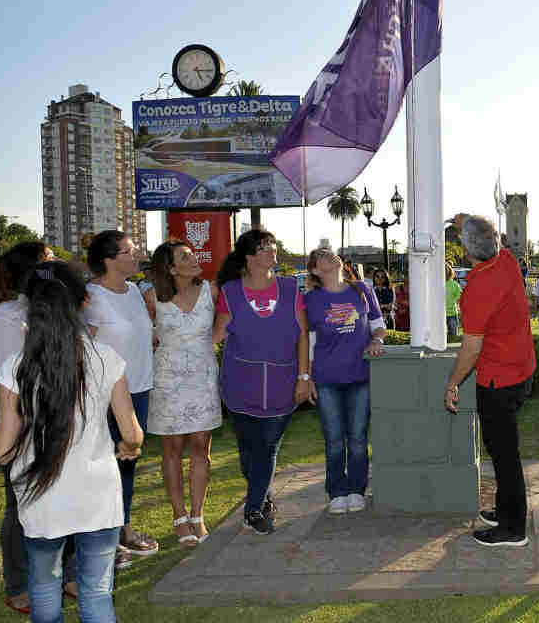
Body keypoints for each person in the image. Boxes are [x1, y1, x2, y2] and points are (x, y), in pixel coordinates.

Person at [0, 261, 144, 623]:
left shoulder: (16, 368)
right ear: (83, 301)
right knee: (96, 597)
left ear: (29, 306)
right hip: (98, 496)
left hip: (41, 499)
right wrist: (127, 447)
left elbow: (2, 451)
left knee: (44, 593)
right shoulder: (106, 359)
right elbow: (132, 433)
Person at [0, 242, 75, 614]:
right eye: (48, 264)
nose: (55, 270)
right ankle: (19, 584)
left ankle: (65, 574)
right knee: (19, 506)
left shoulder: (38, 311)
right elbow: (9, 380)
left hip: (49, 418)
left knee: (59, 500)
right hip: (19, 424)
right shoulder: (7, 318)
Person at [443, 216, 536, 547]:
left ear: (466, 251)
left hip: (498, 381)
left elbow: (471, 348)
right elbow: (485, 232)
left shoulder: (477, 290)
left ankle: (513, 529)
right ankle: (505, 510)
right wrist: (466, 221)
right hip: (521, 372)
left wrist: (453, 383)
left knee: (504, 456)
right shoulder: (507, 261)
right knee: (504, 452)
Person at [214, 229, 310, 535]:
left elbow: (302, 335)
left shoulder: (289, 288)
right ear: (249, 256)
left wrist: (304, 376)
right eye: (265, 247)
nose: (273, 251)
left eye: (273, 245)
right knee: (248, 450)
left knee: (267, 447)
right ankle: (263, 493)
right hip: (239, 383)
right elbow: (217, 335)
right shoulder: (229, 292)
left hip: (283, 383)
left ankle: (253, 509)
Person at [85, 230, 158, 568]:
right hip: (105, 397)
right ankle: (104, 541)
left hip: (139, 389)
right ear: (109, 260)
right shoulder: (90, 297)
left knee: (128, 465)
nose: (137, 254)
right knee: (105, 469)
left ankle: (123, 530)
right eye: (129, 251)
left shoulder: (133, 291)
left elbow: (143, 336)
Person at [148, 240, 222, 546]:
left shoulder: (212, 291)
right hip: (167, 380)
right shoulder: (152, 297)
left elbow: (226, 324)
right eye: (185, 256)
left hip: (203, 379)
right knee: (172, 451)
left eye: (192, 253)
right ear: (170, 267)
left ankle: (197, 515)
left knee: (201, 449)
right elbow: (146, 337)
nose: (194, 258)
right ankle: (179, 517)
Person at [305, 248, 386, 514]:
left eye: (331, 254)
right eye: (323, 257)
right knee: (334, 438)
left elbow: (378, 323)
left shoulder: (362, 290)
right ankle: (337, 491)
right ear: (316, 270)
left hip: (360, 375)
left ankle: (356, 489)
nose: (330, 256)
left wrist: (377, 340)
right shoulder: (312, 299)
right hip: (327, 378)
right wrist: (307, 378)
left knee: (359, 438)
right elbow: (309, 342)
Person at [445, 263, 462, 340]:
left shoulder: (454, 284)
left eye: (446, 270)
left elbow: (459, 299)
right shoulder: (436, 284)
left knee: (453, 334)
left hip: (452, 313)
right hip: (438, 314)